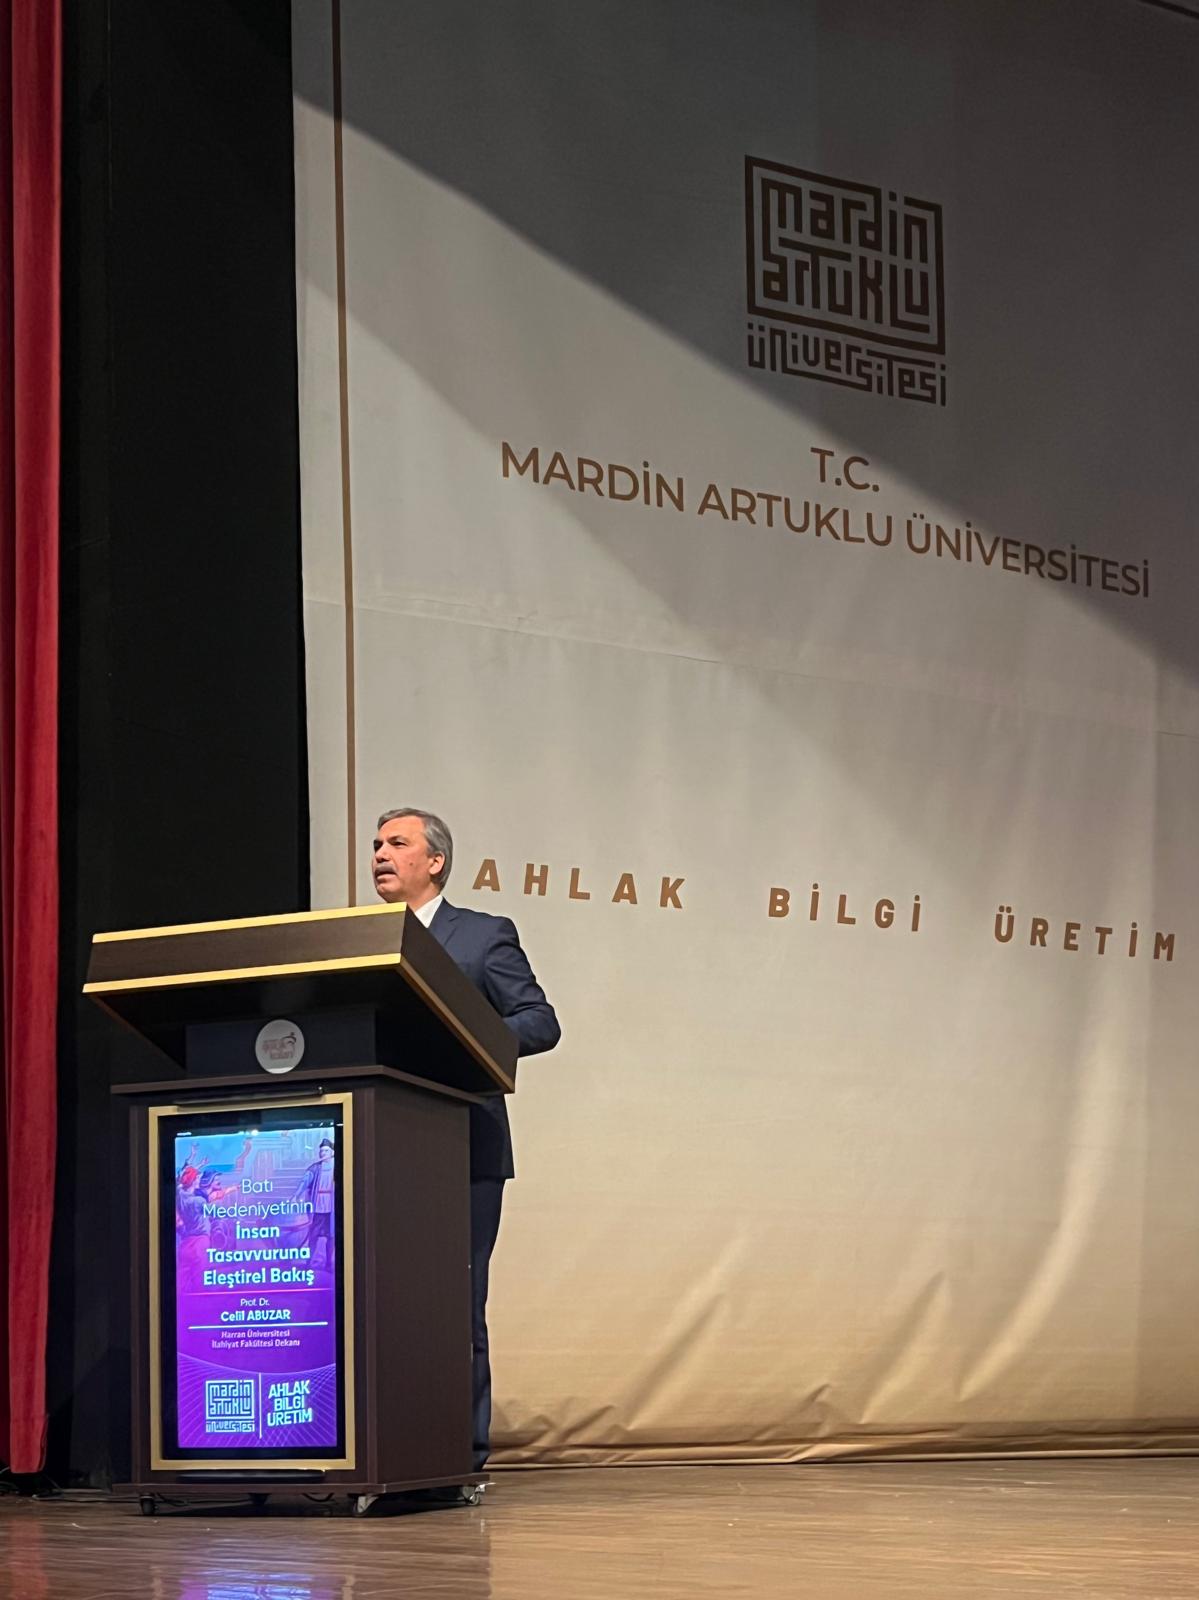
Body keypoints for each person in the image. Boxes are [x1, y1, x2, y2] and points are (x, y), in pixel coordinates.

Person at [372, 806, 560, 1479]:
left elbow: (539, 1021)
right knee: (379, 1300)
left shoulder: (482, 935)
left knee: (455, 1300)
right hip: (376, 1146)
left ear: (435, 861)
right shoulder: (358, 938)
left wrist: (464, 1033)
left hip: (462, 1145)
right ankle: (381, 1447)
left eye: (397, 843)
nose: (380, 854)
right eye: (376, 844)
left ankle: (459, 1454)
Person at [293, 1136, 336, 1271]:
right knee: (313, 1236)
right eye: (321, 1151)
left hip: (331, 1208)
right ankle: (309, 1262)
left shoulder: (337, 1167)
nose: (323, 1153)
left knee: (331, 1236)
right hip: (318, 1207)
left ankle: (329, 1263)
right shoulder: (314, 1168)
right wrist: (296, 1195)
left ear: (332, 1152)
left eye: (326, 1151)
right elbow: (304, 1182)